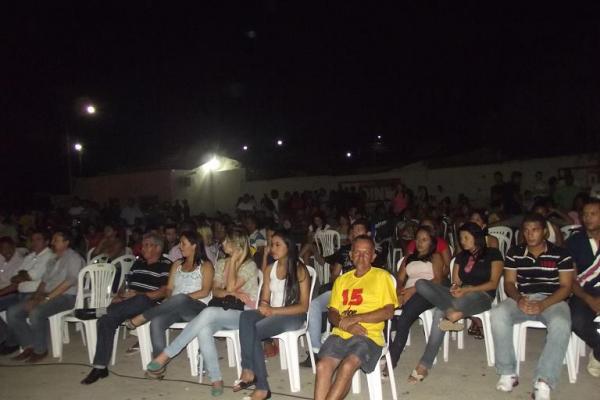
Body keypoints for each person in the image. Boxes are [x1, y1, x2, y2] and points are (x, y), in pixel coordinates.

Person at [146, 228, 259, 396]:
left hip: (245, 314)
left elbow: (228, 287)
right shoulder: (220, 263)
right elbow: (216, 291)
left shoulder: (250, 265)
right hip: (223, 310)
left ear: (237, 244)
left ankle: (168, 353)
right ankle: (216, 378)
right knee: (204, 329)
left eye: (227, 241)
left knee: (208, 312)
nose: (222, 243)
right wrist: (230, 291)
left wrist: (234, 263)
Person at [491, 213, 573, 400]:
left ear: (544, 232)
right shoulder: (515, 252)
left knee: (561, 323)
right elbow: (509, 284)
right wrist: (519, 299)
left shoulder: (561, 253)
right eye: (526, 230)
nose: (530, 234)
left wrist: (543, 303)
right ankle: (507, 372)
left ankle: (544, 380)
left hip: (553, 300)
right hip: (524, 297)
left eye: (535, 230)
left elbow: (566, 288)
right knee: (498, 314)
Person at [408, 222, 503, 382]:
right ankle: (451, 312)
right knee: (420, 284)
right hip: (461, 294)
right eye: (461, 238)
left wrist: (466, 290)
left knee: (440, 312)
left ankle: (424, 365)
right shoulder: (461, 256)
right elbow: (456, 282)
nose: (463, 241)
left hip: (482, 295)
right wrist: (455, 288)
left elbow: (493, 283)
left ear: (477, 237)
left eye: (466, 237)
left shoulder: (493, 254)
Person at [314, 235, 398, 400]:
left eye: (366, 253)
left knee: (347, 366)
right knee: (323, 366)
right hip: (341, 333)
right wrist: (345, 325)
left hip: (368, 336)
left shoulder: (382, 277)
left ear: (374, 256)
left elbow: (388, 312)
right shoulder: (342, 280)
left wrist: (355, 319)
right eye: (357, 252)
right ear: (351, 256)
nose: (361, 256)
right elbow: (332, 313)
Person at [81, 232, 171, 385]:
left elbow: (163, 292)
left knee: (140, 299)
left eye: (147, 245)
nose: (142, 249)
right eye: (143, 245)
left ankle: (100, 310)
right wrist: (120, 294)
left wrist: (138, 293)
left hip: (150, 304)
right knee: (105, 320)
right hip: (128, 303)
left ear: (157, 248)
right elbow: (126, 284)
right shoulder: (138, 263)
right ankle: (100, 367)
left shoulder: (166, 265)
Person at [233, 231, 310, 400]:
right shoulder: (269, 268)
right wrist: (265, 306)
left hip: (293, 315)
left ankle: (262, 387)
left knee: (255, 329)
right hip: (273, 312)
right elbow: (266, 298)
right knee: (245, 317)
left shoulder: (299, 269)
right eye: (271, 244)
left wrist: (273, 311)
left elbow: (303, 307)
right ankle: (248, 368)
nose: (272, 248)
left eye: (277, 245)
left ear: (288, 247)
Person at [123, 230, 213, 356]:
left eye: (183, 244)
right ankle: (158, 362)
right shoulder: (177, 264)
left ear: (194, 245)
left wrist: (181, 298)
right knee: (156, 322)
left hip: (196, 307)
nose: (180, 247)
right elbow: (169, 289)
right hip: (175, 306)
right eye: (180, 243)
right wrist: (172, 301)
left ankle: (143, 317)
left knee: (180, 298)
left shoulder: (206, 265)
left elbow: (205, 292)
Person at [301, 219, 372, 367]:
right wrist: (340, 284)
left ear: (368, 234)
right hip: (341, 290)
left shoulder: (372, 252)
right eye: (354, 230)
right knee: (313, 304)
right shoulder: (344, 251)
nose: (356, 233)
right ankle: (316, 350)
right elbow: (334, 274)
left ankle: (337, 343)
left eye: (360, 230)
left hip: (363, 294)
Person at [7, 230, 84, 363]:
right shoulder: (53, 259)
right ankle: (28, 346)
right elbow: (44, 282)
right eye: (53, 240)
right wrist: (34, 298)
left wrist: (46, 299)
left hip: (67, 297)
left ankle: (40, 350)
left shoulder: (73, 258)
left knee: (36, 312)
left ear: (66, 243)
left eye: (56, 240)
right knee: (13, 312)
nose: (53, 243)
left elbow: (70, 281)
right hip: (47, 294)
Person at [387, 226, 444, 374]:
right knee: (383, 313)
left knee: (405, 318)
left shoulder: (436, 256)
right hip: (407, 293)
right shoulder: (409, 257)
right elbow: (399, 279)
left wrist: (415, 289)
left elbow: (438, 280)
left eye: (424, 239)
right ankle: (388, 347)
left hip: (428, 293)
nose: (419, 242)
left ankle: (391, 360)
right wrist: (399, 292)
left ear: (431, 242)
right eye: (418, 239)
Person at [0, 230, 53, 354]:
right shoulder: (30, 256)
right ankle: (15, 341)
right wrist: (23, 275)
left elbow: (32, 275)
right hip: (20, 293)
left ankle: (28, 346)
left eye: (38, 239)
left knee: (13, 312)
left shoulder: (49, 256)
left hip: (34, 293)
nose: (34, 242)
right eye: (32, 240)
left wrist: (23, 275)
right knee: (11, 311)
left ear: (46, 241)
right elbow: (14, 277)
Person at [567, 198, 600, 377]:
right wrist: (589, 299)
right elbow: (571, 280)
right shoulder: (575, 241)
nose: (587, 218)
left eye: (593, 214)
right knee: (576, 320)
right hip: (583, 292)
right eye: (585, 214)